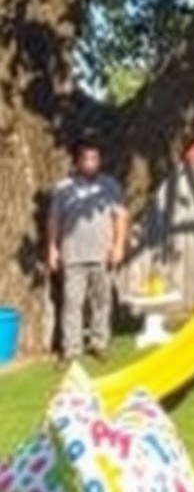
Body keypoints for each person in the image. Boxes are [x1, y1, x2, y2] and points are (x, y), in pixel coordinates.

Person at [48, 133, 129, 362]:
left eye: (95, 158)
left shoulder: (110, 186)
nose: (91, 163)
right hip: (72, 256)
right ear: (77, 161)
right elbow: (54, 220)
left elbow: (121, 217)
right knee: (72, 305)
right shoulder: (64, 188)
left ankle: (99, 344)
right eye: (86, 158)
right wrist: (52, 249)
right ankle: (71, 350)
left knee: (101, 303)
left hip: (102, 256)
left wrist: (118, 246)